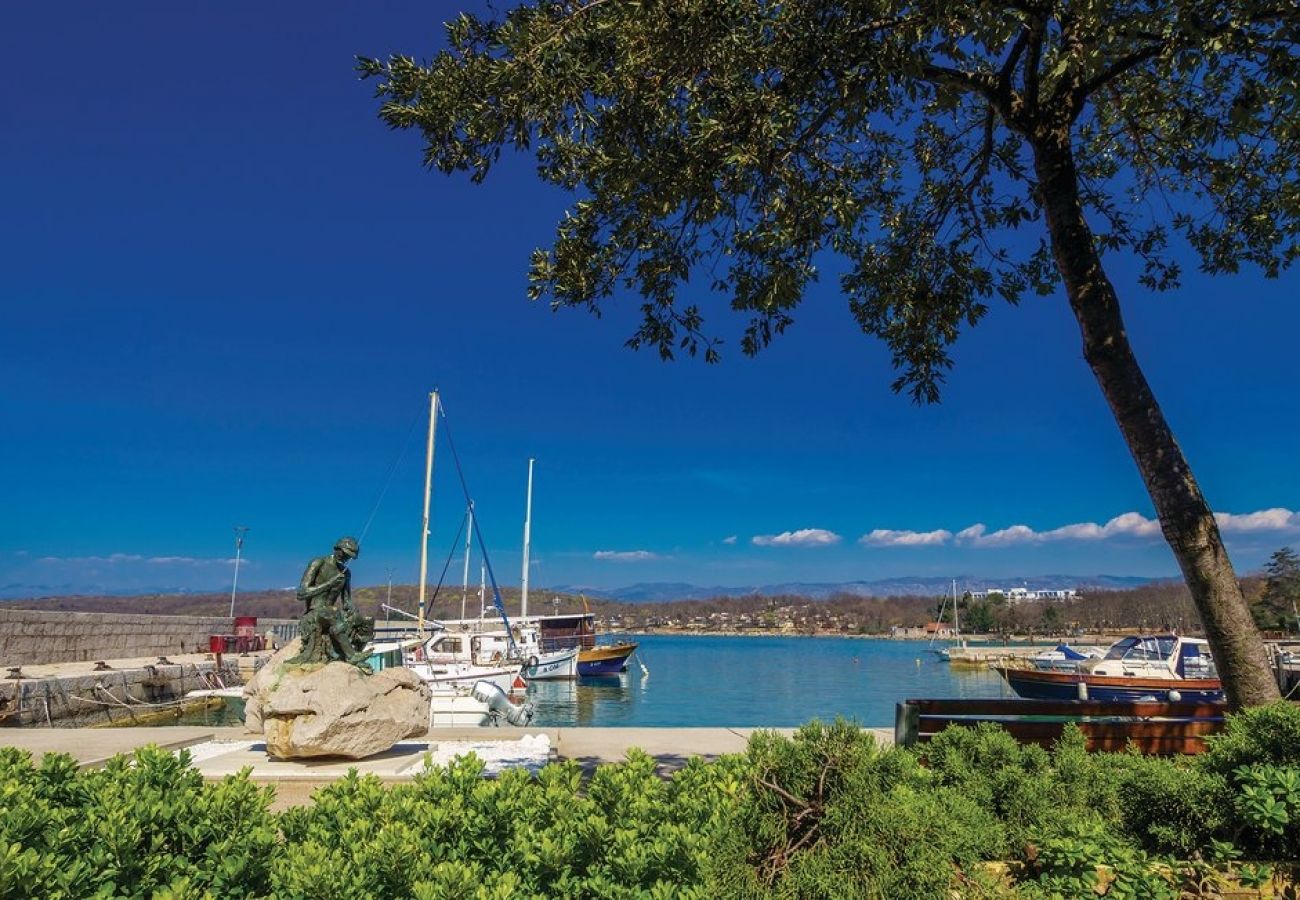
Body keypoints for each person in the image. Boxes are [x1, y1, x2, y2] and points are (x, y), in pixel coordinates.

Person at [288, 536, 374, 670]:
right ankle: (351, 656)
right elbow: (301, 593)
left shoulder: (346, 573)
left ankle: (355, 654)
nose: (345, 558)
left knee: (366, 621)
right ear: (336, 549)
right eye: (344, 554)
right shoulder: (318, 563)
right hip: (314, 613)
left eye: (349, 557)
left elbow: (347, 601)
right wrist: (329, 583)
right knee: (332, 613)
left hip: (332, 613)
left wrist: (352, 610)